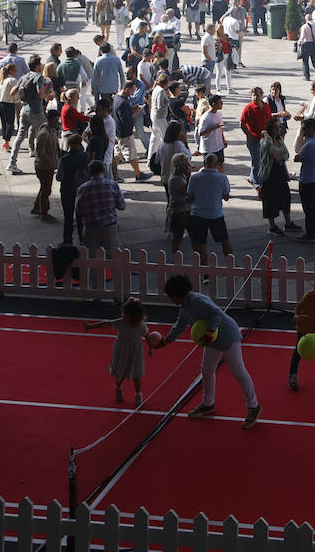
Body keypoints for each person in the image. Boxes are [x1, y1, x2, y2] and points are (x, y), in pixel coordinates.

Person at [156, 273, 260, 428]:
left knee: (238, 372)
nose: (171, 300)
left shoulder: (197, 301)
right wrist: (167, 340)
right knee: (206, 370)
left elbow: (215, 314)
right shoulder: (185, 305)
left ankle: (254, 406)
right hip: (212, 339)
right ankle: (208, 404)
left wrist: (210, 332)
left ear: (178, 295)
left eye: (171, 296)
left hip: (227, 336)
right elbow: (181, 324)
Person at [86, 296, 150, 407]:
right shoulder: (121, 322)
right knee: (121, 372)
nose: (122, 316)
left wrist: (150, 347)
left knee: (136, 374)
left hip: (135, 353)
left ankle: (138, 395)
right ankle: (118, 388)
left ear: (134, 317)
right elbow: (105, 324)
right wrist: (91, 326)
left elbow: (147, 336)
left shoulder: (141, 326)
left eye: (125, 314)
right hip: (122, 351)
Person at [76, 160, 126, 268]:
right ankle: (118, 283)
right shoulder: (112, 185)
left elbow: (78, 211)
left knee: (92, 262)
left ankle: (94, 284)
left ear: (89, 172)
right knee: (115, 260)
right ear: (103, 171)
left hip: (90, 228)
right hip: (109, 227)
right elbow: (122, 206)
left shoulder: (82, 188)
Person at [188, 154, 233, 265]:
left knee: (201, 244)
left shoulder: (194, 177)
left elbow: (190, 198)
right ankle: (230, 264)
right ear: (216, 164)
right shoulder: (222, 178)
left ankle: (205, 271)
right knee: (224, 241)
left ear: (204, 163)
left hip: (198, 214)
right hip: (216, 214)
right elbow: (226, 197)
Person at [8, 56, 48, 175]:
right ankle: (45, 162)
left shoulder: (23, 77)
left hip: (24, 110)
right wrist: (48, 96)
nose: (42, 66)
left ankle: (12, 163)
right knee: (45, 135)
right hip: (36, 111)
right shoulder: (39, 77)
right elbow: (40, 93)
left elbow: (12, 92)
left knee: (19, 137)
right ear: (37, 66)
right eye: (40, 64)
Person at [295, 118, 315, 243]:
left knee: (309, 208)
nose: (302, 131)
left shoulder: (310, 144)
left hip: (308, 180)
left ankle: (310, 233)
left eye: (304, 128)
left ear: (311, 129)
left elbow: (297, 157)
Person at [32, 109, 61, 224]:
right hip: (44, 167)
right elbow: (41, 152)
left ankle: (36, 207)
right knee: (46, 190)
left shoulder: (52, 130)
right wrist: (51, 162)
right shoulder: (44, 134)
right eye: (55, 120)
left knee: (43, 188)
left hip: (48, 166)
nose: (57, 122)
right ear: (49, 120)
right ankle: (44, 212)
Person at [239, 87, 271, 186]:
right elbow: (242, 124)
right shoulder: (248, 108)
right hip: (254, 140)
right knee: (256, 162)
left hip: (265, 139)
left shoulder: (266, 106)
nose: (255, 97)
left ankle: (252, 178)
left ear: (262, 95)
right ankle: (258, 184)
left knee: (264, 161)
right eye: (253, 95)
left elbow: (269, 120)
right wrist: (249, 135)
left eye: (257, 95)